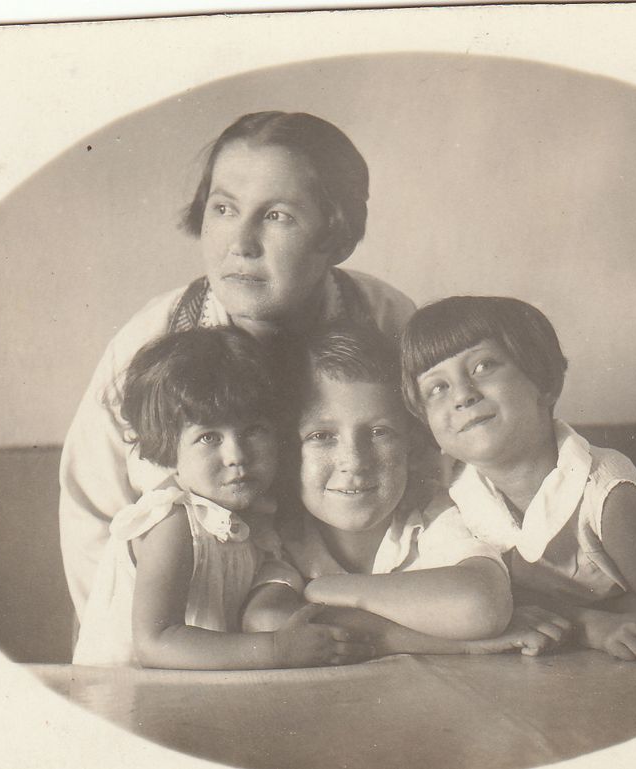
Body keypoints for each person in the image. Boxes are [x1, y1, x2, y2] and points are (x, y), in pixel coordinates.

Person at [60, 111, 415, 615]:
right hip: (189, 632)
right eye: (224, 209)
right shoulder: (149, 341)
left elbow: (445, 480)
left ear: (336, 236)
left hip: (369, 614)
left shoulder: (387, 321)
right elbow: (93, 521)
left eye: (277, 217)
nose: (240, 244)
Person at [399, 296, 636, 662]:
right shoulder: (455, 499)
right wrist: (589, 624)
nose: (462, 395)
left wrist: (581, 625)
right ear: (428, 425)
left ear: (544, 383)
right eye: (437, 388)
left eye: (483, 366)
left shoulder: (607, 493)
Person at [243, 324, 563, 656]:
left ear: (411, 444)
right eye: (322, 436)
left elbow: (483, 604)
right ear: (286, 450)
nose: (354, 462)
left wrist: (329, 589)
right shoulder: (280, 534)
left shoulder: (432, 511)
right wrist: (457, 642)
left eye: (379, 432)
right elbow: (268, 620)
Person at [72, 327, 372, 669]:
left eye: (253, 431)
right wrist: (275, 648)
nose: (236, 456)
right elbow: (155, 642)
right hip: (128, 687)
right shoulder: (174, 523)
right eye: (209, 437)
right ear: (169, 447)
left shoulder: (251, 518)